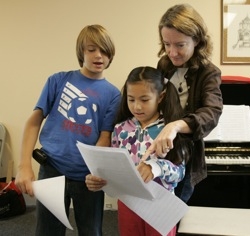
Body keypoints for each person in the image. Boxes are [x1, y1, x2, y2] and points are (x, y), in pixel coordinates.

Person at [15, 24, 121, 236]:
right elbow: (34, 121)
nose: (98, 55)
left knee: (91, 231)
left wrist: (96, 171)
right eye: (91, 49)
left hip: (87, 178)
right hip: (52, 171)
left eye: (104, 50)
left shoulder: (113, 94)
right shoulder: (58, 80)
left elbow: (105, 136)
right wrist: (24, 165)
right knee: (47, 231)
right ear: (81, 52)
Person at [86, 66, 192, 236]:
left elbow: (180, 173)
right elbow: (114, 167)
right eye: (131, 99)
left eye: (144, 99)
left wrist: (156, 167)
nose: (137, 106)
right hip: (129, 203)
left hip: (161, 205)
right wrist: (99, 177)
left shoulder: (169, 130)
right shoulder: (120, 129)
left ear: (161, 96)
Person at [142, 4, 223, 203]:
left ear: (196, 40)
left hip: (186, 156)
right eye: (167, 44)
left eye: (180, 45)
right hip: (161, 151)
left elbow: (212, 112)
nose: (172, 52)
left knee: (173, 211)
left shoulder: (209, 72)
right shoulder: (164, 65)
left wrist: (176, 125)